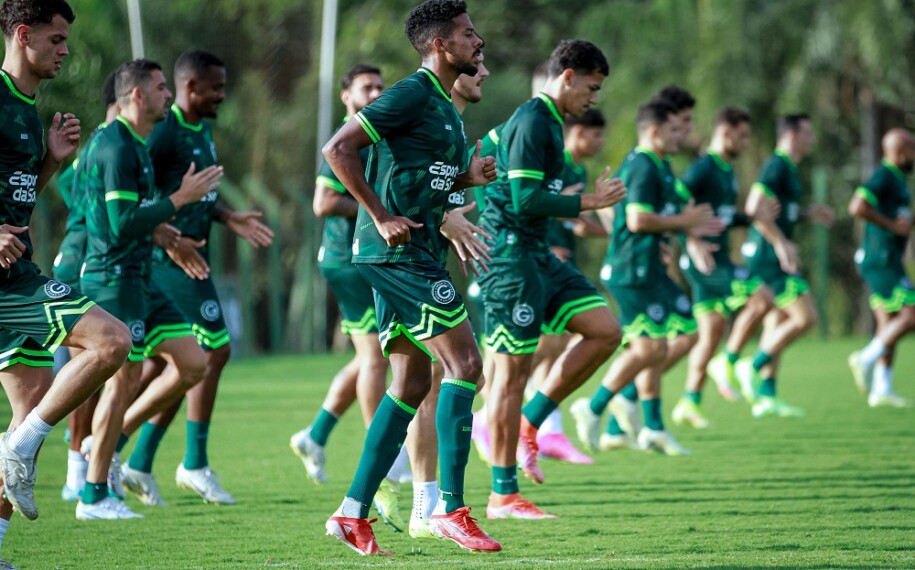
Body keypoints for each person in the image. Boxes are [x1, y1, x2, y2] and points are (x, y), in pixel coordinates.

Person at [322, 0, 500, 555]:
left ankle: (351, 513)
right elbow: (337, 149)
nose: (478, 41)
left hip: (411, 251)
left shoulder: (444, 106)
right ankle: (451, 508)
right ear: (440, 45)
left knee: (412, 383)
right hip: (397, 255)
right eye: (468, 34)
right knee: (466, 364)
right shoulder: (413, 92)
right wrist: (379, 215)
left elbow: (420, 181)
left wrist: (465, 180)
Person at [0, 0, 132, 540]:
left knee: (31, 406)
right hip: (10, 285)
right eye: (55, 39)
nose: (65, 50)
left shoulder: (25, 110)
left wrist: (50, 162)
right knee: (112, 341)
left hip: (14, 274)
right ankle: (22, 445)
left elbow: (17, 203)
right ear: (23, 35)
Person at [478, 39, 626, 518]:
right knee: (508, 377)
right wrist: (589, 202)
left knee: (605, 330)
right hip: (511, 260)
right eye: (592, 87)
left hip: (538, 254)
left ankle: (530, 423)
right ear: (567, 77)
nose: (594, 98)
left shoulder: (549, 123)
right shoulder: (531, 120)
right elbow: (523, 200)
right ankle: (503, 494)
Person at [119, 49, 273, 508]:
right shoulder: (164, 130)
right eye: (215, 88)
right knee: (211, 352)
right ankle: (184, 461)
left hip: (192, 261)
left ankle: (136, 459)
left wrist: (227, 217)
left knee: (182, 364)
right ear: (190, 87)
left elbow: (194, 194)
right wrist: (168, 241)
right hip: (170, 263)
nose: (222, 96)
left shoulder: (201, 129)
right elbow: (137, 194)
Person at [77, 58, 223, 519]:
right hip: (114, 280)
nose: (168, 95)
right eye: (161, 88)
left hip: (140, 276)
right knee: (123, 382)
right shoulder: (117, 147)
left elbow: (135, 216)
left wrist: (165, 232)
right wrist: (180, 199)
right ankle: (92, 493)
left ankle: (107, 444)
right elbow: (120, 224)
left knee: (194, 361)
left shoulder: (135, 143)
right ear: (138, 95)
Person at [575, 100, 720, 456]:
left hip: (649, 269)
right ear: (655, 130)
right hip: (631, 271)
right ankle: (596, 405)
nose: (682, 135)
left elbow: (655, 214)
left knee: (673, 339)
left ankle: (648, 423)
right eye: (676, 128)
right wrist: (684, 224)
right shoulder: (643, 165)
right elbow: (637, 219)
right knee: (651, 348)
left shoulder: (660, 164)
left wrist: (680, 233)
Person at [404, 55, 492, 539]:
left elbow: (434, 191)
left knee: (425, 380)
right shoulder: (422, 113)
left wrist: (462, 189)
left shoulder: (454, 127)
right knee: (449, 373)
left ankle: (416, 502)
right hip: (402, 263)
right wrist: (443, 218)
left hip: (426, 263)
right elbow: (398, 183)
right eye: (475, 65)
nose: (483, 73)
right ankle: (429, 503)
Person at [671, 107, 776, 427]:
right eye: (742, 136)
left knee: (711, 333)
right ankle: (729, 362)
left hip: (718, 260)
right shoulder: (704, 168)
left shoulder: (726, 170)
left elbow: (723, 218)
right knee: (762, 298)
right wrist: (689, 237)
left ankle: (689, 401)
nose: (745, 143)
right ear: (726, 132)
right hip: (705, 263)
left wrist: (752, 218)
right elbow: (673, 199)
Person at [734, 113, 833, 417]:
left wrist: (806, 214)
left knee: (777, 321)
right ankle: (751, 365)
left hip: (772, 255)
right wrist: (780, 243)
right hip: (769, 257)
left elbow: (777, 211)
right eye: (807, 133)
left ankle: (767, 395)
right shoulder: (776, 165)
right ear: (791, 135)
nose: (812, 139)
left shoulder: (788, 168)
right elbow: (754, 208)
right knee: (806, 317)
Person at [54, 68, 121, 503]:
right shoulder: (107, 143)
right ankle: (77, 469)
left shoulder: (113, 142)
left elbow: (66, 182)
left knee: (115, 365)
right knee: (88, 371)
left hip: (97, 263)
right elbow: (69, 184)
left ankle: (90, 459)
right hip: (83, 265)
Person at [528, 108, 608, 464]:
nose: (600, 142)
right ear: (577, 132)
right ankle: (495, 412)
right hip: (540, 262)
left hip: (560, 265)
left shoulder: (578, 170)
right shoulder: (552, 160)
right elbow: (531, 203)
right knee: (543, 346)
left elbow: (575, 220)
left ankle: (547, 429)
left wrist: (612, 231)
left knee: (558, 343)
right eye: (596, 134)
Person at [848, 128, 915, 408]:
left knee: (890, 322)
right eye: (912, 149)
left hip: (888, 259)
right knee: (911, 314)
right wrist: (890, 226)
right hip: (881, 259)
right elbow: (857, 206)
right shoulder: (884, 175)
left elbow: (899, 218)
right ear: (899, 151)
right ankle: (865, 358)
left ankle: (882, 388)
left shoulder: (898, 179)